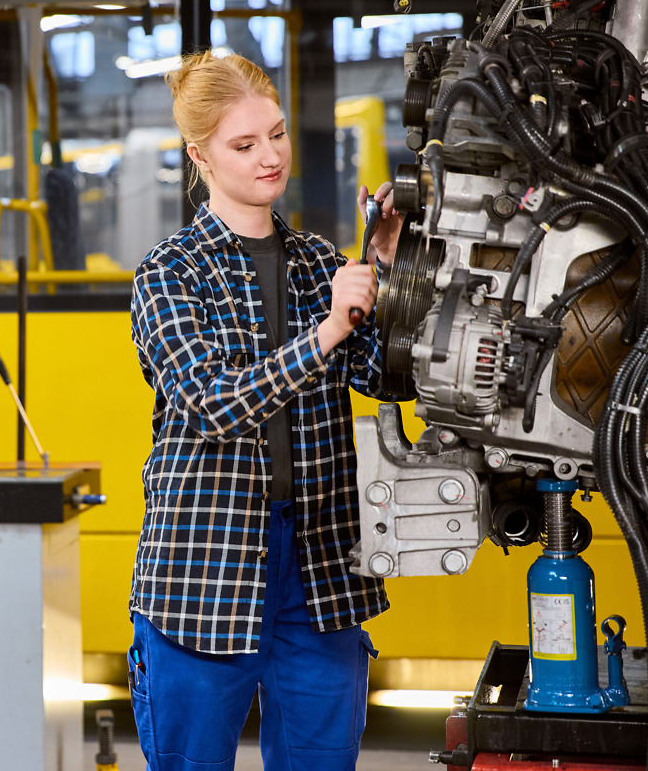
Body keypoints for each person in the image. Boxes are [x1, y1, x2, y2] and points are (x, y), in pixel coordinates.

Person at [127, 49, 406, 771]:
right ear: (201, 155)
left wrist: (392, 272)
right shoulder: (169, 273)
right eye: (244, 144)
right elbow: (212, 404)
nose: (269, 156)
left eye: (276, 134)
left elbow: (383, 379)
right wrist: (328, 332)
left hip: (319, 567)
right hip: (202, 569)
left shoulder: (319, 262)